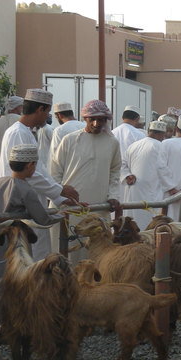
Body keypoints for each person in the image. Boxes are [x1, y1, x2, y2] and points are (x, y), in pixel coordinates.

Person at [0, 89, 79, 261]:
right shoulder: (18, 133)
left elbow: (39, 170)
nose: (47, 117)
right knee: (29, 262)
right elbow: (30, 173)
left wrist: (60, 198)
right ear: (40, 109)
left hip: (30, 204)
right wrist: (60, 192)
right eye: (47, 112)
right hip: (21, 206)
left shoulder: (26, 132)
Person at [0, 144, 66, 329]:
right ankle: (4, 324)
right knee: (6, 278)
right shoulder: (25, 189)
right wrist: (61, 215)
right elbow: (42, 218)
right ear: (30, 166)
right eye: (34, 164)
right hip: (10, 239)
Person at [50, 99, 122, 261]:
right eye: (92, 119)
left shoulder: (112, 143)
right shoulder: (69, 140)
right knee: (67, 253)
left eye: (101, 120)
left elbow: (115, 172)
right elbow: (55, 172)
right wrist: (60, 198)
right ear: (85, 119)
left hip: (98, 207)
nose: (96, 124)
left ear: (106, 120)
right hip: (70, 207)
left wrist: (113, 196)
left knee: (96, 255)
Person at [122, 120, 174, 229]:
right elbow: (162, 168)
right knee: (148, 222)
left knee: (133, 219)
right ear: (161, 134)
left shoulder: (134, 145)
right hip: (150, 192)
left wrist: (127, 175)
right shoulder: (160, 146)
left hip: (133, 190)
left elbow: (122, 164)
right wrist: (171, 187)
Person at [0, 96, 23, 167]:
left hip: (0, 163)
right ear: (17, 107)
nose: (22, 109)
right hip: (17, 164)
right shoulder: (22, 120)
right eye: (21, 106)